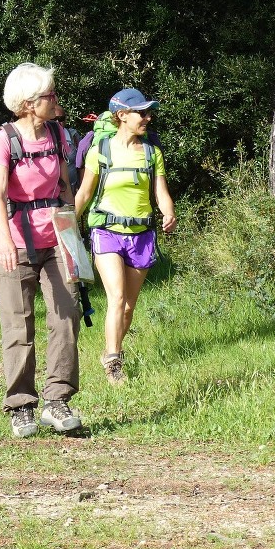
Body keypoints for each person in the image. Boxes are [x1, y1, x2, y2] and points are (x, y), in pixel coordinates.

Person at [0, 63, 83, 438]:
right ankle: (20, 406)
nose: (55, 100)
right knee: (17, 324)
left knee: (67, 316)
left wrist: (73, 234)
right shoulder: (4, 139)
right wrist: (7, 240)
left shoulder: (58, 134)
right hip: (12, 243)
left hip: (56, 240)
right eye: (49, 95)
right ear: (28, 104)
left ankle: (57, 401)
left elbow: (64, 187)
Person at [74, 88, 177, 384]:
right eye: (141, 113)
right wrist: (67, 226)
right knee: (116, 298)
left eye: (148, 112)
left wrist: (169, 213)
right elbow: (84, 193)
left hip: (142, 233)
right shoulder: (100, 150)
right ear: (122, 116)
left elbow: (160, 192)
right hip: (106, 232)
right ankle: (113, 361)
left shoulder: (151, 151)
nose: (147, 118)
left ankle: (113, 349)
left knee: (129, 306)